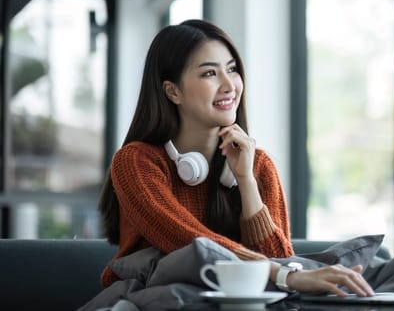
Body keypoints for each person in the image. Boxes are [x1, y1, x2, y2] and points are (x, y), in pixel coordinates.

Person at [98, 19, 374, 297]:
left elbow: (279, 259)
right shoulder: (136, 162)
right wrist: (285, 274)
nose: (230, 85)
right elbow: (191, 245)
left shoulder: (257, 164)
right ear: (173, 91)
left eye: (232, 70)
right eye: (209, 74)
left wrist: (246, 181)